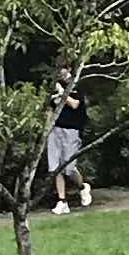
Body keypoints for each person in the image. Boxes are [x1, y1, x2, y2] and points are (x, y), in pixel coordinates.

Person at [43, 76, 91, 214]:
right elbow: (50, 109)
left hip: (72, 130)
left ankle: (82, 187)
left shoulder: (77, 85)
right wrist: (47, 129)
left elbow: (75, 104)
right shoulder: (53, 85)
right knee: (55, 167)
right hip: (55, 129)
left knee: (68, 168)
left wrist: (62, 92)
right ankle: (62, 201)